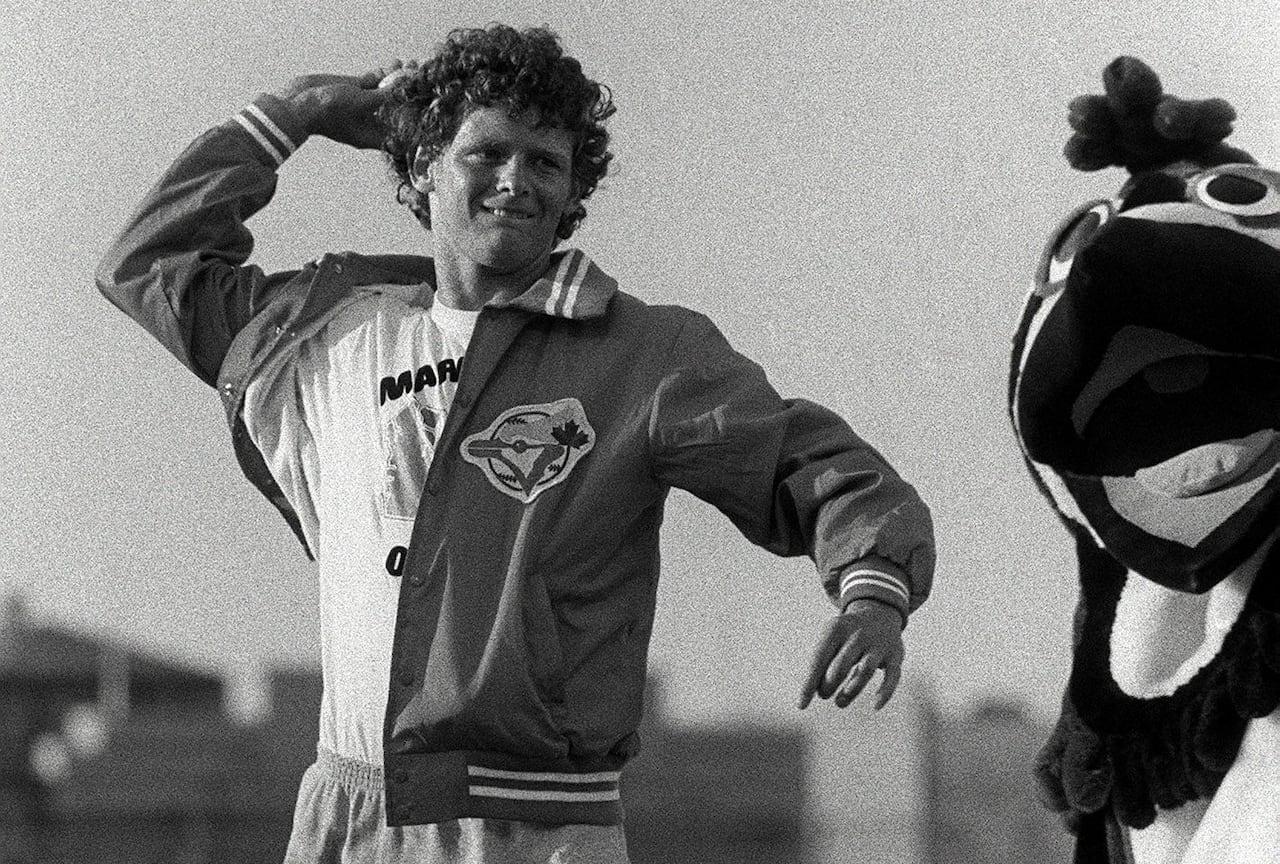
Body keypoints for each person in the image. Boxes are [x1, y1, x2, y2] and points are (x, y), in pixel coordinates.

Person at [97, 23, 935, 864]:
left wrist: (872, 590)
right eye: (486, 153)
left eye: (546, 162)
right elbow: (148, 262)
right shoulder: (322, 332)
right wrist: (294, 114)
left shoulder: (641, 355)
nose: (516, 181)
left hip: (539, 831)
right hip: (345, 817)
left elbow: (805, 459)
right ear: (422, 166)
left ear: (574, 191)